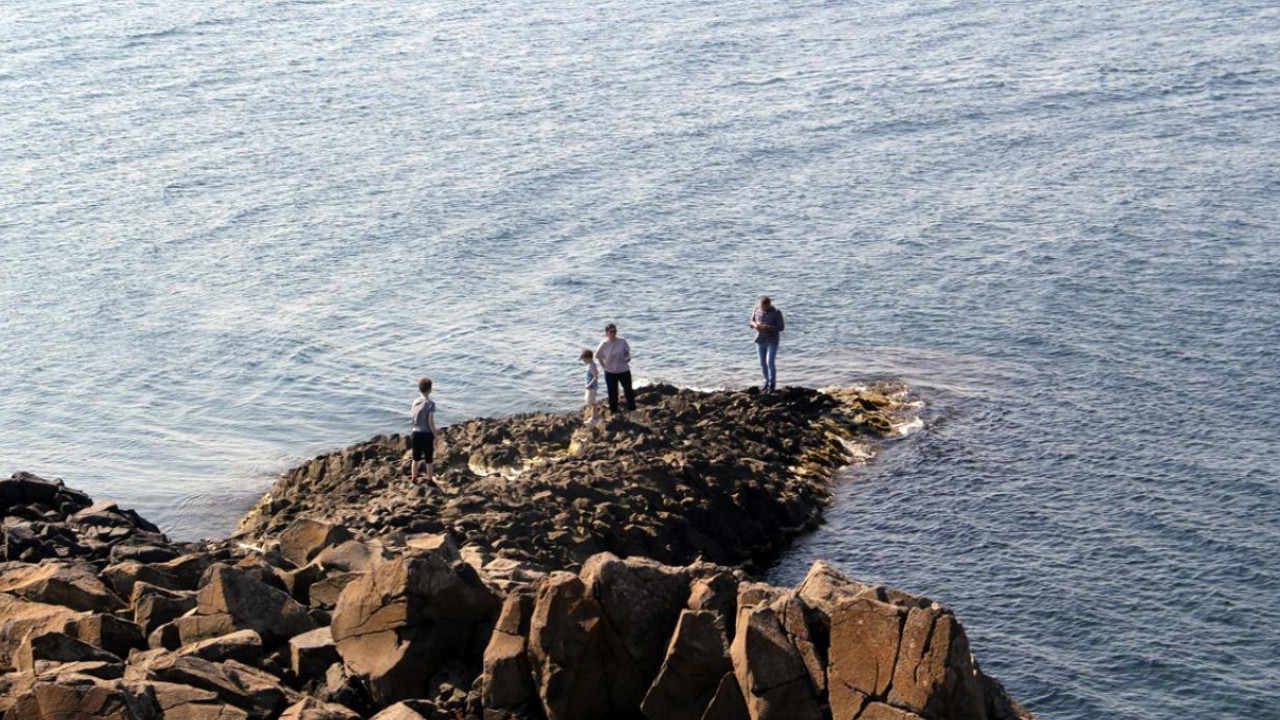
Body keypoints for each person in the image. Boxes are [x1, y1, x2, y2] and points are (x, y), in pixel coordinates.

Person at [595, 323, 636, 413]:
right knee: (612, 393)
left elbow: (627, 352)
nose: (613, 333)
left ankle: (632, 411)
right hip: (610, 372)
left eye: (615, 331)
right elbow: (598, 356)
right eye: (611, 331)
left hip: (624, 370)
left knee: (629, 391)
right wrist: (603, 367)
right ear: (606, 333)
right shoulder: (604, 344)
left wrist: (628, 357)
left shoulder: (622, 341)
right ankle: (614, 412)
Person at [409, 377, 440, 489]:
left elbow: (413, 417)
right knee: (428, 458)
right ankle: (430, 480)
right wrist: (436, 436)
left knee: (415, 458)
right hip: (426, 434)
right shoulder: (430, 404)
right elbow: (430, 422)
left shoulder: (415, 402)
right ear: (430, 389)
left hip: (415, 432)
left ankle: (414, 478)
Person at [750, 296, 785, 391]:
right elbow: (751, 321)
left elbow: (781, 327)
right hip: (760, 339)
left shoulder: (776, 312)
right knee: (762, 363)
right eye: (761, 307)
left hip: (772, 340)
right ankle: (766, 382)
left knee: (770, 362)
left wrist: (769, 328)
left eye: (765, 307)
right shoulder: (756, 309)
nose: (763, 309)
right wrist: (755, 325)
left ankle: (772, 384)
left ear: (769, 305)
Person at [580, 349, 602, 424]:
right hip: (590, 387)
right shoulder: (590, 364)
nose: (583, 361)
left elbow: (596, 376)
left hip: (592, 387)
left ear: (589, 358)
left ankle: (594, 418)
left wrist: (589, 384)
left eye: (584, 359)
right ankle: (596, 416)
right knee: (591, 402)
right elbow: (597, 372)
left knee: (592, 403)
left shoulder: (592, 365)